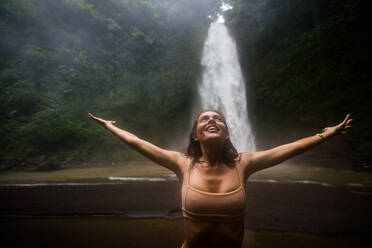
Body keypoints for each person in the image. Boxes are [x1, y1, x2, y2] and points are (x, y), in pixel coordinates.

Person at [88, 111, 352, 248]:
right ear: (195, 135)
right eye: (205, 119)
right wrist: (110, 126)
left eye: (218, 119)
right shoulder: (183, 163)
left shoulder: (244, 163)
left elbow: (290, 148)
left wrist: (325, 135)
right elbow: (137, 143)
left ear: (226, 133)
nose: (212, 120)